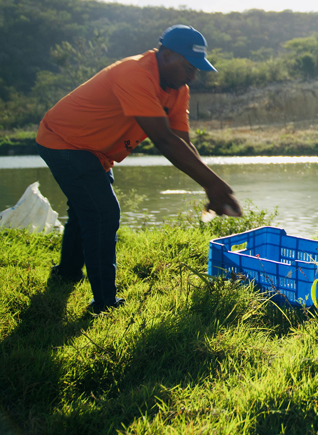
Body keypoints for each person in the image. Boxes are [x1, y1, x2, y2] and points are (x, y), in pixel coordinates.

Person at [37, 25, 242, 313]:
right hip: (63, 140)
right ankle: (105, 304)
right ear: (167, 55)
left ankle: (67, 272)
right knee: (102, 212)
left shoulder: (178, 89)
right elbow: (164, 140)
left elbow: (182, 142)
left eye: (197, 69)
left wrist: (209, 183)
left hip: (96, 150)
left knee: (86, 208)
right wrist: (214, 185)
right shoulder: (135, 73)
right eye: (188, 67)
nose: (192, 76)